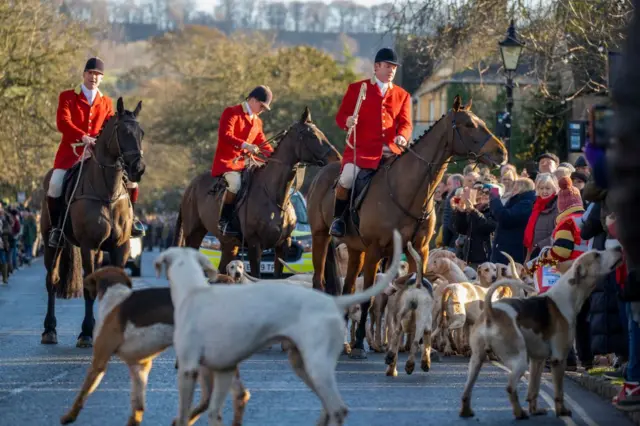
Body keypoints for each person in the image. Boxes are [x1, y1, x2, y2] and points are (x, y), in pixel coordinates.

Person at [48, 57, 144, 248]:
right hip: (71, 153)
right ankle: (57, 228)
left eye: (98, 75)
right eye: (91, 73)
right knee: (55, 184)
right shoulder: (67, 96)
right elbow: (63, 123)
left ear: (102, 78)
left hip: (99, 156)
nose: (94, 77)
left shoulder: (107, 102)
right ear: (84, 74)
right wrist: (83, 137)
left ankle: (131, 222)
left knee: (131, 181)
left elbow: (109, 130)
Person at [330, 47, 412, 237]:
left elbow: (406, 123)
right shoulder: (357, 88)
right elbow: (341, 116)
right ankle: (338, 219)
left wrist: (403, 135)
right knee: (347, 178)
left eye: (394, 67)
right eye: (388, 66)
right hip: (361, 152)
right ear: (376, 66)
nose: (392, 70)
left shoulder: (403, 95)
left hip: (392, 152)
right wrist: (347, 121)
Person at [211, 85, 274, 236]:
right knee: (235, 184)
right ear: (252, 100)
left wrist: (275, 155)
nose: (262, 110)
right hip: (229, 161)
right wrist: (246, 145)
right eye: (261, 106)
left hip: (247, 161)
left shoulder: (257, 122)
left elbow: (262, 142)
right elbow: (225, 134)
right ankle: (224, 220)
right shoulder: (232, 112)